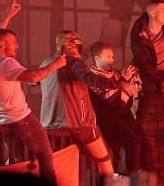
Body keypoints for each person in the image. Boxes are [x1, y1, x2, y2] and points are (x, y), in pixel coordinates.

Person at [0, 0, 65, 186]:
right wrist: (56, 64)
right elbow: (33, 77)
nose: (17, 46)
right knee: (45, 156)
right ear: (1, 45)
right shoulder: (5, 63)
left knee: (18, 161)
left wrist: (8, 16)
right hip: (21, 119)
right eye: (13, 42)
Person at [39, 31, 134, 176]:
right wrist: (119, 80)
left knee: (62, 166)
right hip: (78, 125)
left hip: (48, 126)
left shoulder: (46, 64)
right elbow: (92, 79)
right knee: (104, 159)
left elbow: (34, 82)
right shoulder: (75, 64)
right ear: (73, 45)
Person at [86, 41, 154, 174]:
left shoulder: (116, 74)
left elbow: (123, 98)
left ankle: (150, 182)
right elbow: (106, 99)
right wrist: (122, 81)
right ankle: (134, 183)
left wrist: (131, 89)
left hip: (123, 113)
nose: (112, 60)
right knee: (133, 142)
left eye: (112, 56)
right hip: (108, 117)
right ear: (97, 58)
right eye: (108, 57)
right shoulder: (91, 76)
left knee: (145, 144)